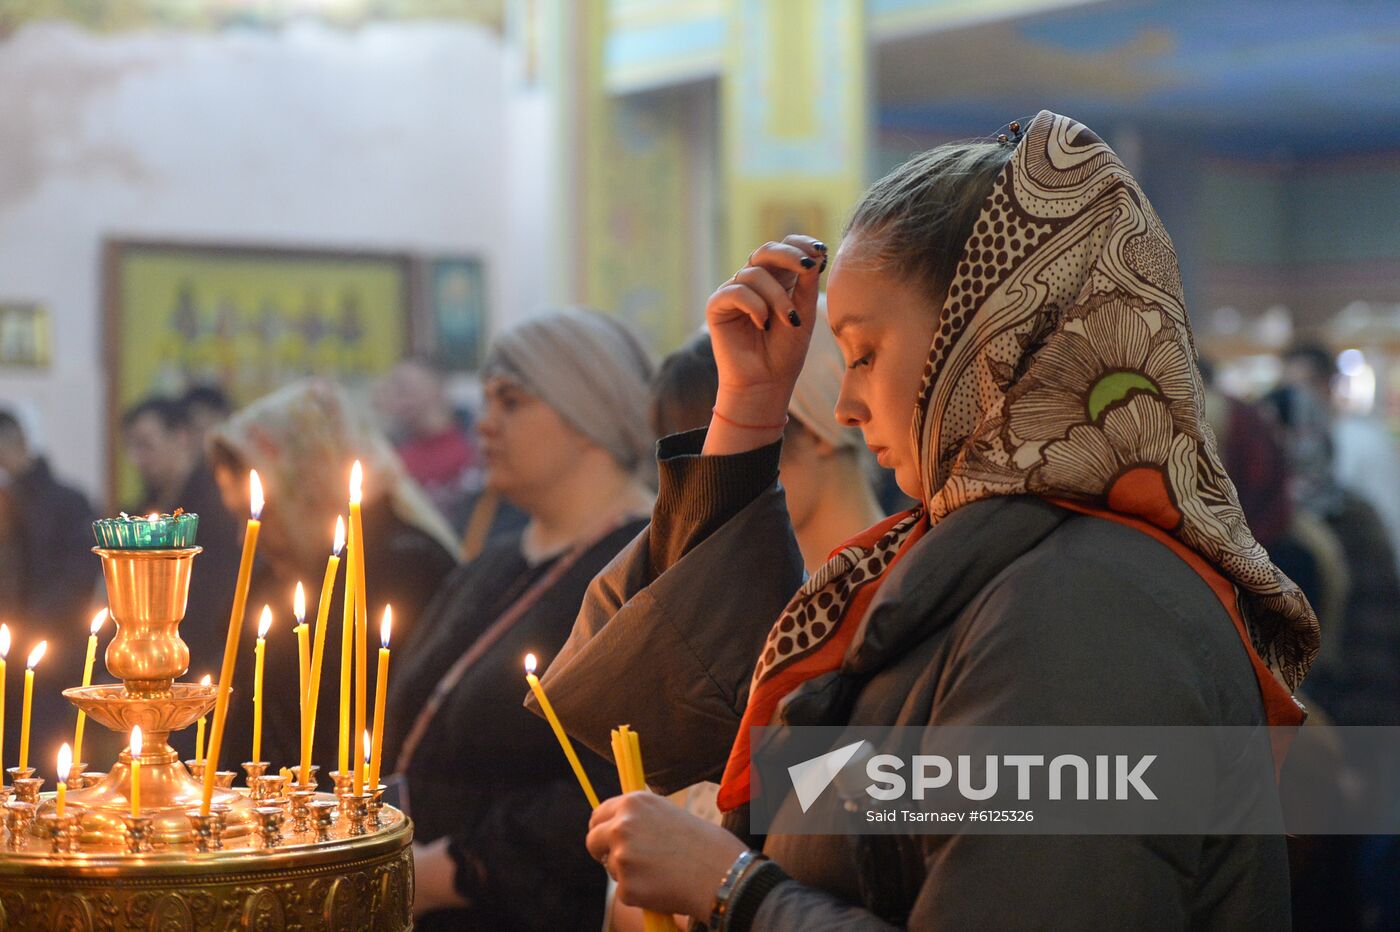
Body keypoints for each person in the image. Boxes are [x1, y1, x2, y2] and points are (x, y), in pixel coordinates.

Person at [537, 112, 1317, 928]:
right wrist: (751, 412)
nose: (842, 403)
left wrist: (733, 889)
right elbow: (694, 718)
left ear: (990, 340)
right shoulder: (976, 560)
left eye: (864, 354)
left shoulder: (1084, 607)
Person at [390, 308, 656, 931]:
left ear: (587, 415)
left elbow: (613, 782)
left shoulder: (646, 561)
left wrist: (456, 869)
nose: (484, 424)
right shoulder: (494, 561)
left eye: (510, 401)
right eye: (485, 400)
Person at [205, 379, 458, 770]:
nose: (246, 539)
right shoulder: (272, 580)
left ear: (309, 484)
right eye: (240, 517)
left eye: (261, 515)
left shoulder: (410, 571)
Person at [653, 315, 883, 573]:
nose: (709, 489)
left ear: (816, 431)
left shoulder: (910, 589)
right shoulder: (745, 599)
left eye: (736, 448)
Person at [0, 409, 99, 754]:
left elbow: (78, 579)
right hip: (7, 665)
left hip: (51, 661)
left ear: (21, 443)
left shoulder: (67, 502)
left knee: (43, 763)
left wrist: (23, 625)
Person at [121, 397, 242, 669]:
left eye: (146, 445)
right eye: (131, 448)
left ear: (181, 437)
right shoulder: (142, 508)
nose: (137, 459)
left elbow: (218, 592)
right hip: (151, 654)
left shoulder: (218, 506)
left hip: (204, 655)